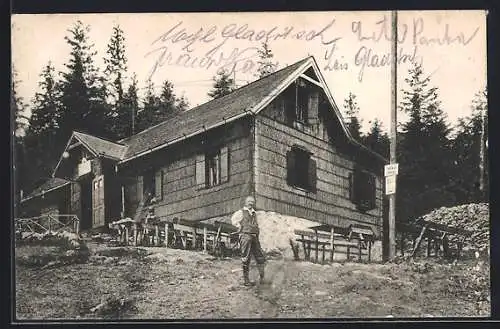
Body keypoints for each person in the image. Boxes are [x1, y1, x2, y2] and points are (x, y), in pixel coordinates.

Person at [231, 196, 266, 286]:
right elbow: (234, 220)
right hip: (245, 236)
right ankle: (246, 281)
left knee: (260, 257)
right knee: (246, 257)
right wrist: (239, 227)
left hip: (255, 237)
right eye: (249, 201)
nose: (251, 203)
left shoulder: (255, 213)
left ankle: (262, 279)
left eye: (252, 202)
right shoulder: (241, 212)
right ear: (245, 202)